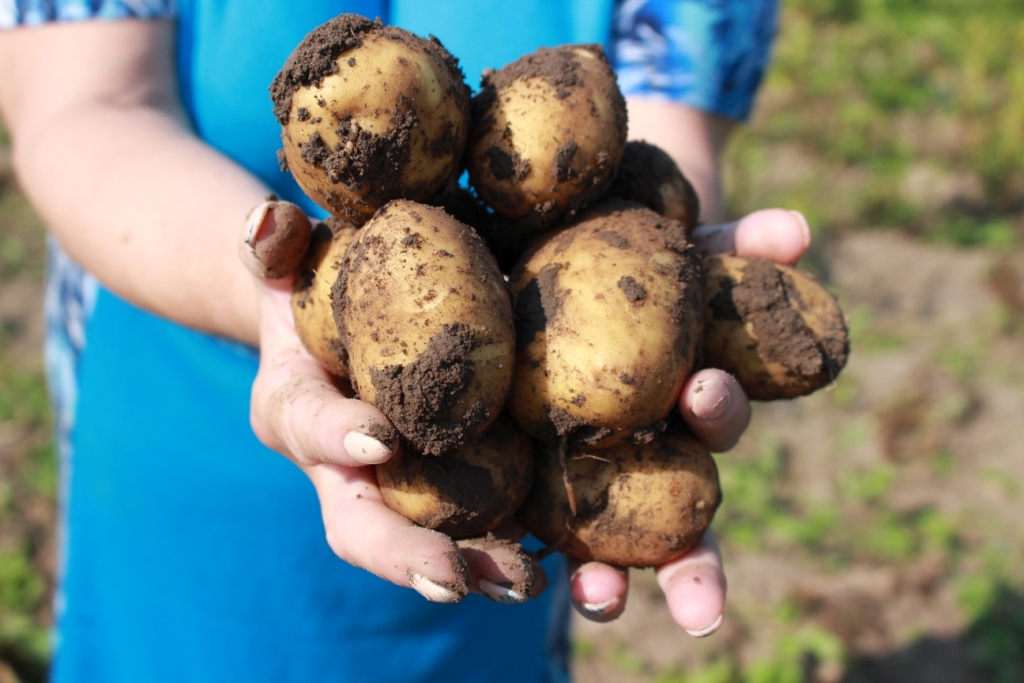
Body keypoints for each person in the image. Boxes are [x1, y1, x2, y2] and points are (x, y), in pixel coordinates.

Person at [0, 1, 808, 681]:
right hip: (169, 439)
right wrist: (272, 294)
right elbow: (83, 108)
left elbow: (657, 168)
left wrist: (663, 276)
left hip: (493, 516)